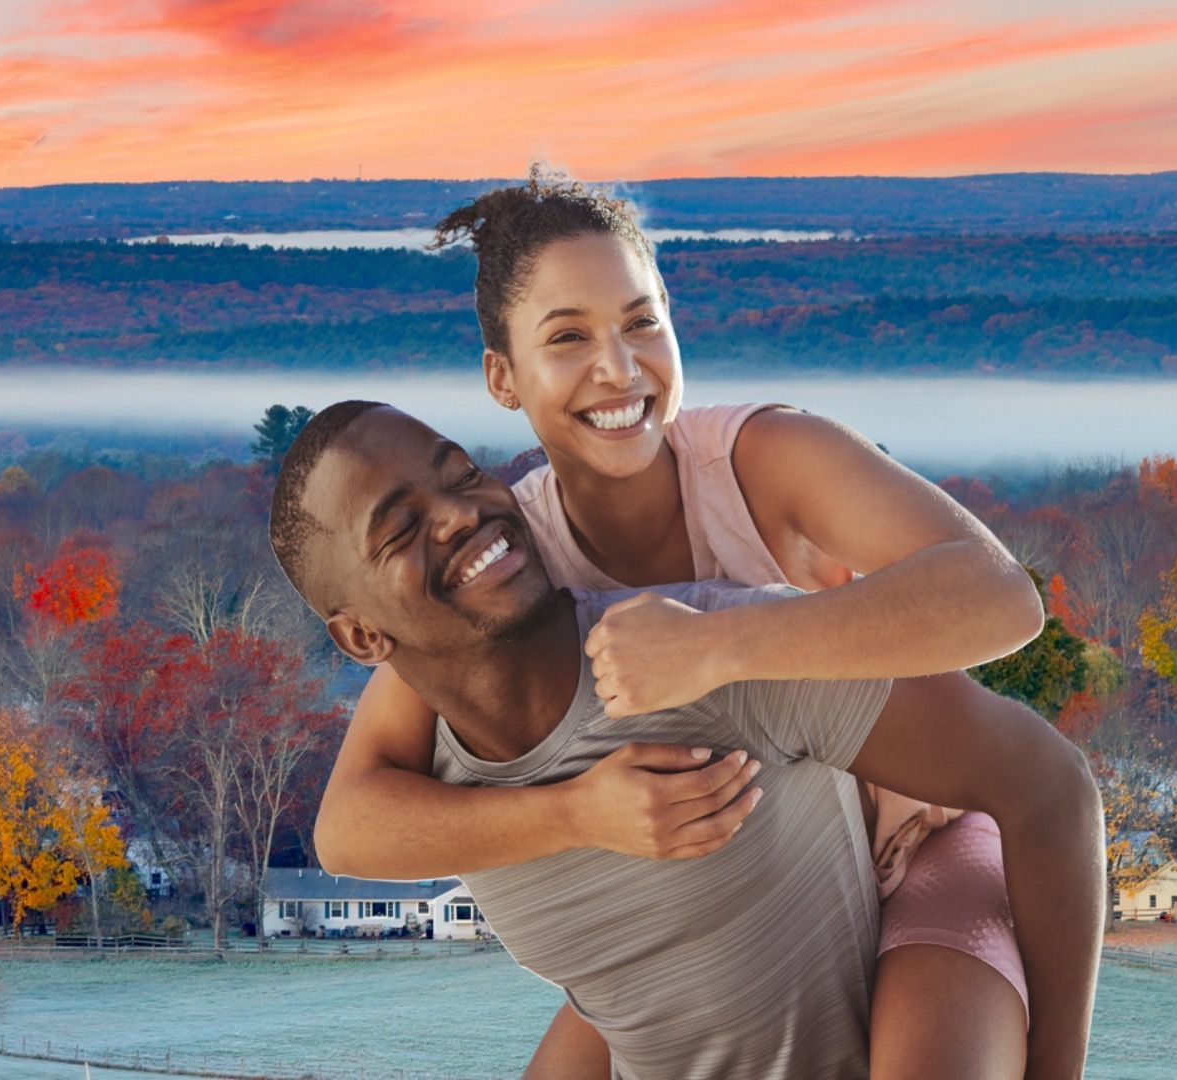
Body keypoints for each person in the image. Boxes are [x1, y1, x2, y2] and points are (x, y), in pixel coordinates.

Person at [314, 171, 1075, 1076]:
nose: (620, 367)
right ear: (502, 378)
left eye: (642, 321)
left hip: (913, 852)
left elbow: (1001, 599)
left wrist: (718, 646)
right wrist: (578, 814)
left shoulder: (763, 459)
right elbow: (350, 825)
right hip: (729, 909)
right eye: (568, 337)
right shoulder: (508, 561)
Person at [269, 401, 1104, 1079]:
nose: (457, 514)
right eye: (400, 529)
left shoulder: (703, 650)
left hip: (923, 900)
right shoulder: (427, 767)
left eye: (461, 473)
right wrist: (582, 813)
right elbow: (344, 834)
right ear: (362, 638)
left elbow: (1047, 783)